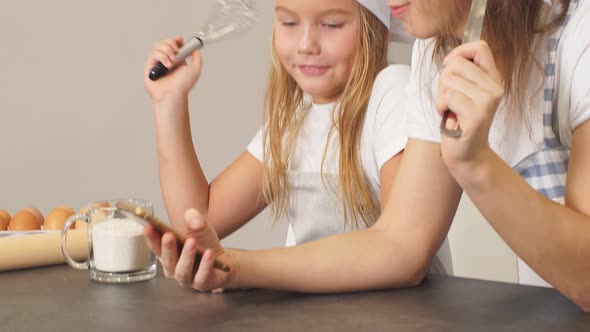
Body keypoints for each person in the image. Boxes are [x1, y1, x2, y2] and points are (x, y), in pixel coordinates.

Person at [143, 0, 452, 293]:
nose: (306, 44)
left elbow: (397, 249)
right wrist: (169, 102)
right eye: (289, 22)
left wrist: (239, 266)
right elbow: (200, 216)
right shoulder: (294, 119)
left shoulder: (392, 93)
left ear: (376, 30)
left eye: (331, 25)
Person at [385, 0, 589, 310]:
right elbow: (401, 243)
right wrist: (280, 270)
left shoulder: (580, 31)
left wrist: (475, 163)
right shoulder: (434, 54)